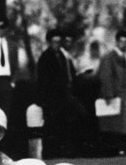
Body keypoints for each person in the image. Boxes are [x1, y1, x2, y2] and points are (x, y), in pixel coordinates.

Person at [37, 29, 88, 157]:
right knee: (51, 126)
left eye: (59, 42)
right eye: (54, 42)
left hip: (64, 96)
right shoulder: (45, 57)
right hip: (52, 98)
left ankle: (64, 151)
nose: (57, 44)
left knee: (64, 124)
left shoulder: (63, 56)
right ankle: (49, 154)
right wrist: (45, 100)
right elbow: (43, 81)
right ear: (49, 42)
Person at [98, 30, 126, 155]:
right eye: (121, 41)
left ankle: (118, 150)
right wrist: (108, 95)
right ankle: (113, 150)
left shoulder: (124, 59)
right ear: (117, 42)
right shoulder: (109, 57)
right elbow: (106, 76)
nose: (124, 44)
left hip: (121, 96)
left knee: (119, 126)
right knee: (112, 125)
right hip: (113, 96)